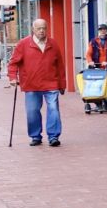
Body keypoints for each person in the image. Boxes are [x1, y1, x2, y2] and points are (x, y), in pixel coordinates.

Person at [7, 18, 66, 149]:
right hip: (31, 83)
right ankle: (35, 136)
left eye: (44, 28)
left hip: (51, 83)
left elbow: (60, 66)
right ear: (33, 29)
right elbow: (13, 63)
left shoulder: (53, 44)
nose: (41, 31)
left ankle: (53, 136)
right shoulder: (23, 44)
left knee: (53, 109)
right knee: (32, 111)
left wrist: (62, 84)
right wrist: (12, 77)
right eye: (39, 28)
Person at [86, 23, 107, 114]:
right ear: (98, 31)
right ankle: (98, 103)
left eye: (104, 29)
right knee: (97, 86)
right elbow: (88, 54)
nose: (103, 31)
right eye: (101, 30)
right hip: (97, 67)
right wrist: (90, 61)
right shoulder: (93, 41)